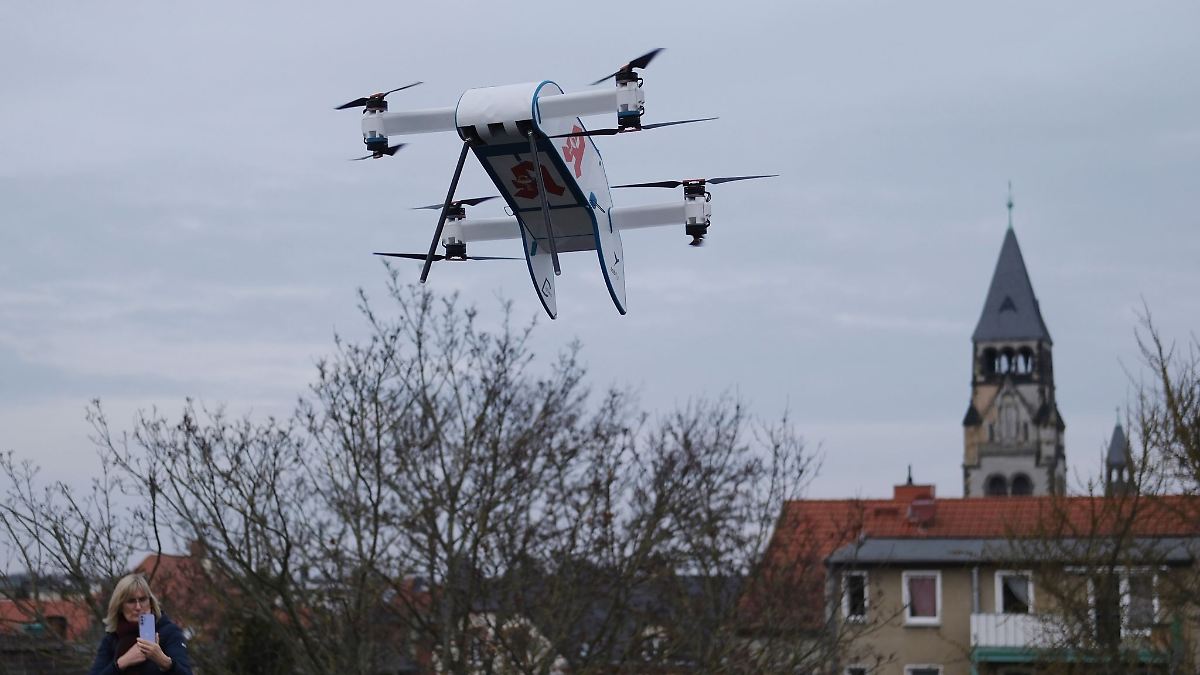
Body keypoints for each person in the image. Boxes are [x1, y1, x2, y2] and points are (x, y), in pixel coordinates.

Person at [87, 573, 192, 675]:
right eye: (131, 601)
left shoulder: (169, 632)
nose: (138, 607)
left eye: (142, 599)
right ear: (120, 606)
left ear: (150, 603)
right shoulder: (112, 638)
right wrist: (122, 662)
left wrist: (163, 661)